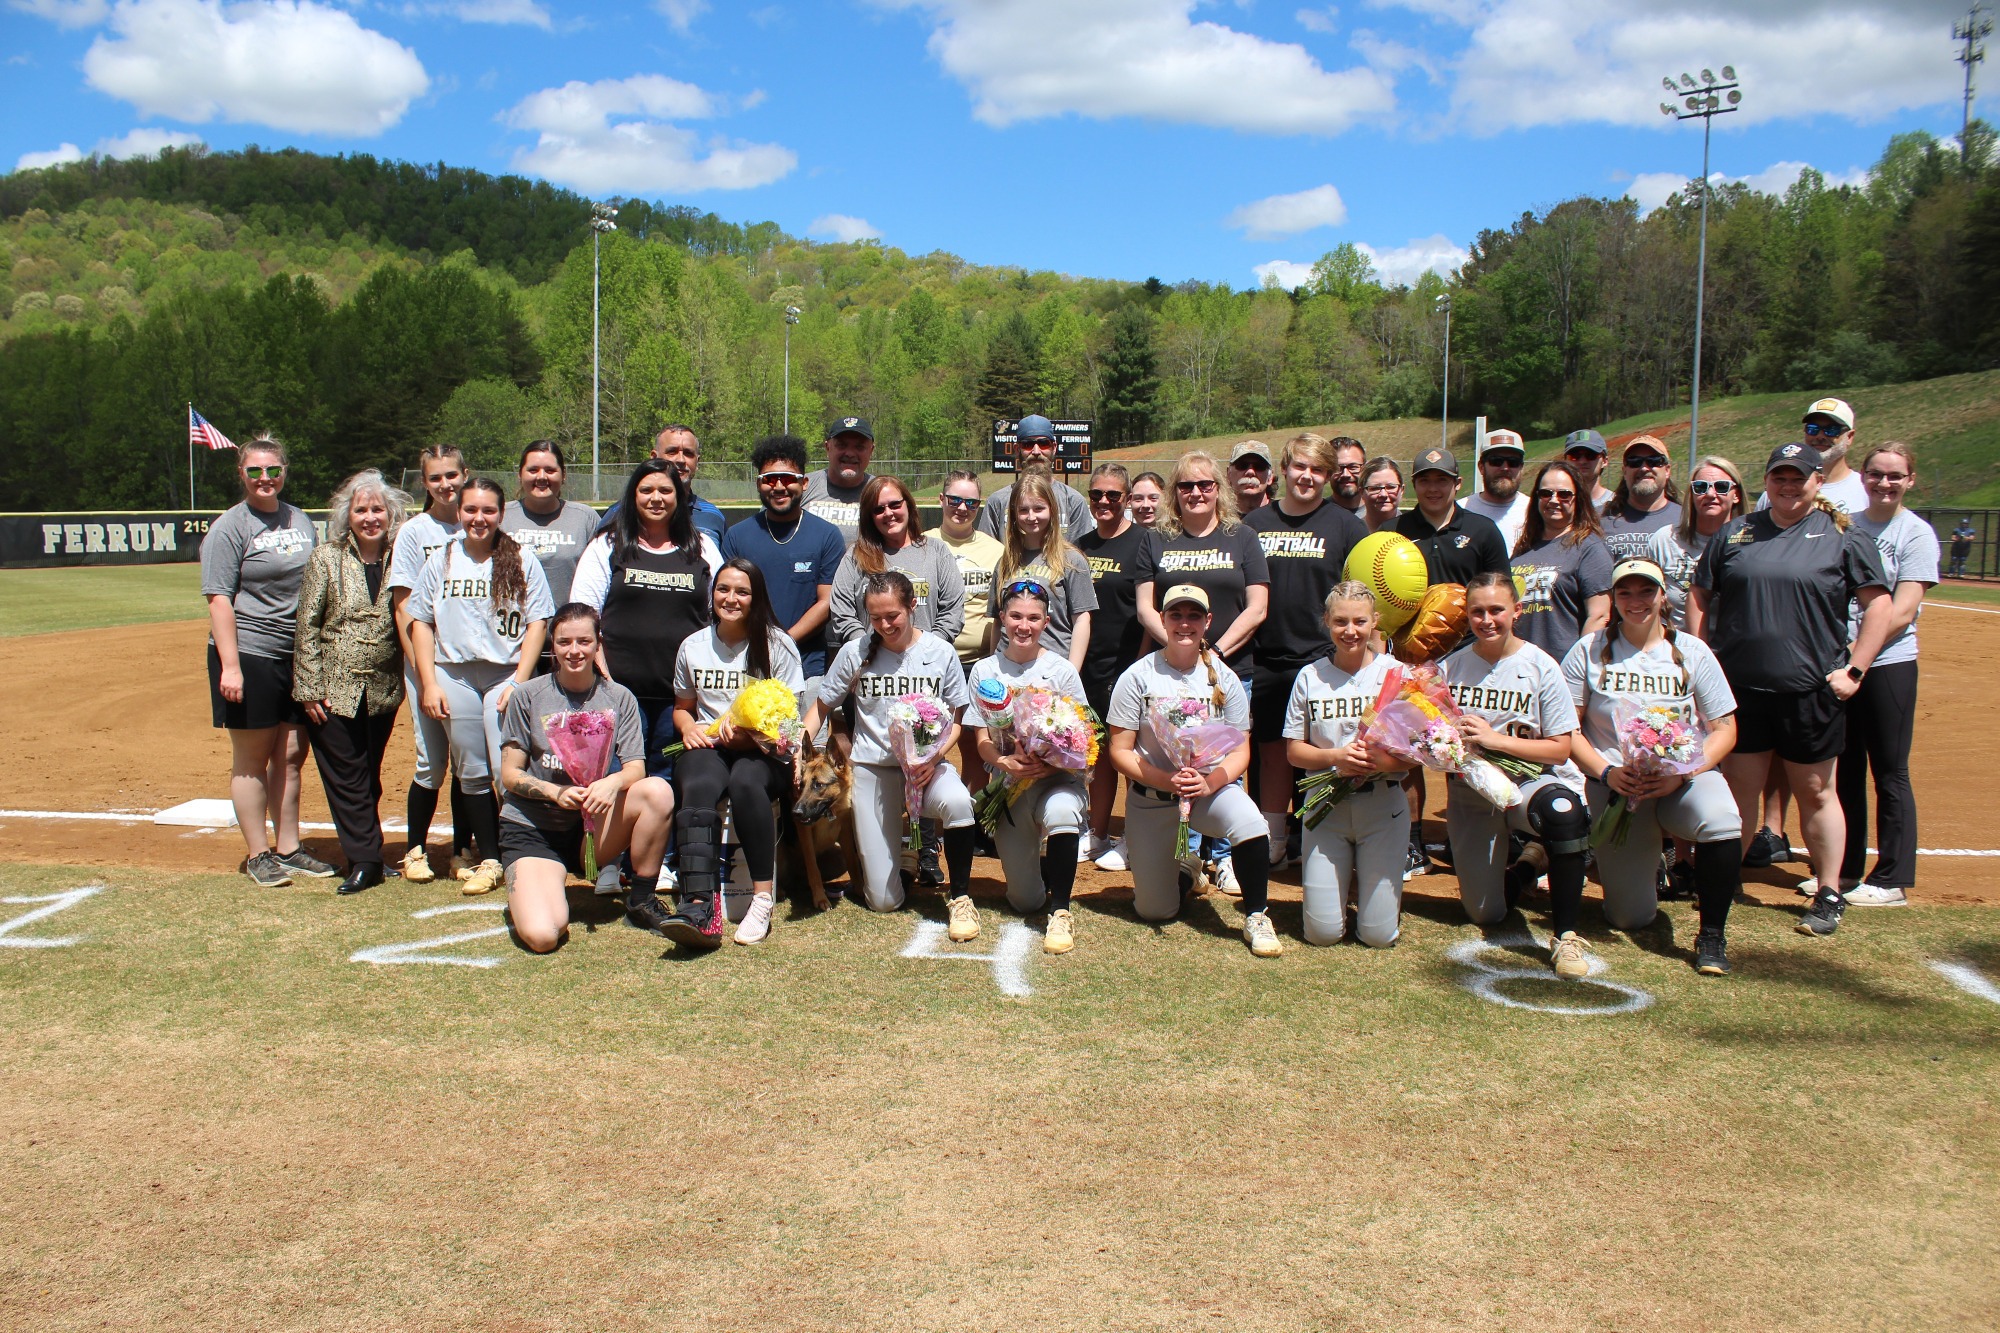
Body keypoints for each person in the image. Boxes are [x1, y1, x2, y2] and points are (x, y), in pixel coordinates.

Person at [1688, 442, 1896, 938]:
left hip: (1810, 690)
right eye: (1778, 476)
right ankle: (1723, 883)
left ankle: (1829, 892)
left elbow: (1880, 605)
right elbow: (1701, 592)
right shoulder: (1736, 533)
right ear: (1766, 482)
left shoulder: (1843, 535)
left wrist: (1856, 670)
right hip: (1742, 691)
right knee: (1740, 790)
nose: (1787, 484)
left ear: (1817, 481)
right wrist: (1701, 656)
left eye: (1798, 476)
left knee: (1816, 791)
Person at [1563, 558, 1743, 975]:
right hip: (1616, 787)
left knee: (1721, 820)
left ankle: (1712, 933)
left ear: (1663, 596)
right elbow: (1567, 730)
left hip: (1681, 781)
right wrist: (1607, 773)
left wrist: (1684, 772)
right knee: (1630, 918)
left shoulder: (1691, 651)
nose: (1636, 600)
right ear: (1613, 598)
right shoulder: (1588, 651)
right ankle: (1649, 864)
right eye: (1625, 592)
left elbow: (1725, 728)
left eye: (1646, 591)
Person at [1106, 585, 1278, 956]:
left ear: (1208, 621)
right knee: (1155, 911)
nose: (1185, 623)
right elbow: (1119, 752)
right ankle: (1187, 870)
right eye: (1176, 615)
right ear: (1163, 620)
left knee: (1250, 823)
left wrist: (1209, 781)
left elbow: (1240, 749)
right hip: (1153, 798)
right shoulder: (1137, 676)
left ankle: (1256, 915)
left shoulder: (1225, 678)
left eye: (1194, 616)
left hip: (1209, 793)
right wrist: (1166, 778)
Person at [802, 570, 979, 924]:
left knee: (959, 802)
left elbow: (958, 719)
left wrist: (936, 756)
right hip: (874, 768)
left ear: (912, 606)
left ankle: (960, 896)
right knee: (883, 901)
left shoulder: (940, 652)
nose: (884, 624)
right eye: (876, 617)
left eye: (892, 615)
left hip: (927, 768)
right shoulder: (855, 652)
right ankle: (906, 855)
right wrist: (797, 750)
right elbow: (821, 707)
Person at [1441, 573, 1594, 979]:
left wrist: (1495, 741)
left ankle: (1566, 936)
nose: (1487, 619)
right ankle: (1528, 866)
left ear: (1517, 611)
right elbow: (1429, 736)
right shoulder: (1450, 667)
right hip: (1474, 792)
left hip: (1530, 782)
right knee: (1486, 912)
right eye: (1477, 611)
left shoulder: (1540, 665)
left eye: (1496, 610)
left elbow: (1560, 748)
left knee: (1564, 811)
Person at [497, 603, 675, 951]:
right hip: (534, 830)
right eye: (565, 642)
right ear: (553, 644)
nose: (574, 651)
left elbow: (636, 767)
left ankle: (640, 900)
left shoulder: (618, 697)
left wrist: (611, 783)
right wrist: (553, 791)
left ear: (598, 645)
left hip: (590, 827)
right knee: (544, 935)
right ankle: (535, 883)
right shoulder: (528, 696)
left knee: (658, 791)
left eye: (584, 641)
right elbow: (509, 774)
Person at [408, 476, 554, 896]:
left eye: (488, 510)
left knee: (502, 768)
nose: (479, 517)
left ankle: (519, 854)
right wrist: (429, 682)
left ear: (501, 514)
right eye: (471, 509)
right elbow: (420, 621)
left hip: (503, 674)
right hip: (453, 673)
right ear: (460, 512)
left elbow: (538, 622)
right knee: (470, 772)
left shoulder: (522, 558)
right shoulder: (443, 558)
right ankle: (490, 859)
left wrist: (520, 681)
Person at [1133, 450, 1270, 894]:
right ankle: (1186, 853)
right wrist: (1181, 648)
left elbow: (1257, 607)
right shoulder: (1155, 539)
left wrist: (1215, 654)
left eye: (1205, 485)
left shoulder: (1242, 536)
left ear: (1219, 490)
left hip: (1228, 669)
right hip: (1172, 673)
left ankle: (1225, 856)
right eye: (1186, 486)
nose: (1196, 493)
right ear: (1175, 493)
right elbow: (1145, 608)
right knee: (1178, 761)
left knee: (1226, 761)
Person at [201, 432, 324, 888]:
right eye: (255, 471)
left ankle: (289, 847)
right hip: (250, 653)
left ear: (284, 472)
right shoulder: (231, 526)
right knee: (252, 758)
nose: (265, 478)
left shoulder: (300, 519)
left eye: (273, 469)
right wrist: (230, 666)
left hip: (295, 655)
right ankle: (258, 854)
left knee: (291, 754)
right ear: (242, 474)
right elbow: (218, 598)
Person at [668, 558, 808, 946]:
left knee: (747, 782)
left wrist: (748, 735)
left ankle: (761, 900)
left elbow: (790, 725)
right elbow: (682, 707)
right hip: (709, 746)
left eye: (742, 591)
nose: (731, 598)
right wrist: (688, 728)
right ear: (712, 594)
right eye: (723, 589)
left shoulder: (778, 645)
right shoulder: (693, 645)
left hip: (764, 752)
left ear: (756, 597)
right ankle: (698, 903)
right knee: (697, 780)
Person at [1246, 432, 1366, 864]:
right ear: (1283, 469)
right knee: (1273, 750)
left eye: (1317, 470)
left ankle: (1319, 836)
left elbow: (1361, 596)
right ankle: (1274, 838)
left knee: (1322, 750)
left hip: (1324, 658)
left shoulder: (1347, 525)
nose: (1307, 476)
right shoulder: (1255, 524)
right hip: (1269, 655)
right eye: (1299, 466)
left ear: (1329, 476)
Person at [293, 469, 411, 894]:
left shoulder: (403, 554)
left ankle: (369, 852)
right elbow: (306, 625)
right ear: (347, 515)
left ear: (391, 513)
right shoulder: (326, 556)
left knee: (368, 774)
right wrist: (309, 689)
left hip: (381, 690)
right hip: (332, 689)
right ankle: (364, 860)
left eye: (377, 508)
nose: (369, 517)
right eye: (361, 509)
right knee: (347, 776)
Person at [571, 460, 724, 775]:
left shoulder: (702, 548)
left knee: (666, 783)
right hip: (620, 693)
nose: (657, 498)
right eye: (647, 490)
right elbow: (584, 616)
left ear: (679, 497)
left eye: (666, 490)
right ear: (633, 495)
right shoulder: (608, 546)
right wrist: (604, 678)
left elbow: (721, 613)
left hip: (681, 700)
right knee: (618, 778)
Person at [1836, 443, 1938, 908]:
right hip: (1843, 663)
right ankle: (1845, 869)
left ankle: (1892, 876)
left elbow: (1902, 609)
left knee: (1890, 770)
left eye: (1895, 476)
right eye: (1876, 474)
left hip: (1889, 664)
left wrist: (1860, 656)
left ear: (1910, 480)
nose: (1884, 483)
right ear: (1862, 475)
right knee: (1846, 768)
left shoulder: (1914, 533)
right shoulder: (1847, 526)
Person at [968, 577, 1092, 953]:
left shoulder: (1062, 671)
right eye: (1016, 616)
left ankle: (1061, 910)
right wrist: (1005, 762)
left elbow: (1086, 738)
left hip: (1057, 780)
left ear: (1047, 622)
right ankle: (1039, 878)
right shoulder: (984, 671)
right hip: (1009, 784)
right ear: (1002, 617)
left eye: (1033, 618)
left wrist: (1051, 766)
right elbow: (981, 742)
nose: (1024, 625)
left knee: (1062, 811)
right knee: (1023, 902)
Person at [1284, 583, 1411, 947]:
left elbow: (1417, 752)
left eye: (1359, 621)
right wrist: (1336, 758)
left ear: (1375, 622)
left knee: (1378, 937)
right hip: (1326, 806)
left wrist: (1377, 761)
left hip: (1383, 804)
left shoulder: (1397, 675)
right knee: (1321, 935)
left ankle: (1376, 906)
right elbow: (1294, 751)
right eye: (1340, 621)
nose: (1350, 631)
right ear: (1326, 621)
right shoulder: (1310, 676)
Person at [388, 444, 473, 884]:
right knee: (431, 761)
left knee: (466, 760)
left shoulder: (479, 522)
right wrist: (424, 674)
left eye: (452, 476)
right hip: (427, 664)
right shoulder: (414, 532)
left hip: (469, 664)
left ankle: (461, 850)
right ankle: (416, 850)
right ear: (424, 483)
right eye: (436, 478)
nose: (446, 485)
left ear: (465, 474)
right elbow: (404, 609)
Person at [1075, 462, 1157, 869]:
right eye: (1096, 495)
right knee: (1098, 754)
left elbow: (1148, 609)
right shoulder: (1080, 545)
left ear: (1126, 499)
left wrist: (1139, 665)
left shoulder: (1145, 541)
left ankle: (1136, 836)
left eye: (1113, 495)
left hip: (1129, 667)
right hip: (1088, 666)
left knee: (1132, 752)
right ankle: (1097, 832)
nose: (1104, 501)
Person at [720, 434, 845, 696]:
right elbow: (727, 599)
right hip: (747, 664)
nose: (779, 486)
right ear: (758, 484)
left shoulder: (826, 535)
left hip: (808, 667)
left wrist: (781, 643)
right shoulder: (737, 535)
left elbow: (827, 601)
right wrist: (760, 647)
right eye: (769, 479)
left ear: (804, 483)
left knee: (808, 738)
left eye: (788, 479)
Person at [828, 475, 966, 648]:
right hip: (871, 663)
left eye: (895, 505)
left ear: (908, 504)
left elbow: (953, 610)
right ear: (869, 516)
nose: (888, 513)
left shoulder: (936, 551)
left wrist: (927, 649)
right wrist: (867, 649)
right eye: (878, 509)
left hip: (927, 663)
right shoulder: (855, 556)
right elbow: (842, 612)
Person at [992, 471, 1096, 671]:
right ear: (1014, 514)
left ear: (1052, 509)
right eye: (1023, 510)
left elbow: (1082, 619)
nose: (1031, 517)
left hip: (1053, 668)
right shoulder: (1005, 562)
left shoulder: (1072, 560)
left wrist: (1071, 672)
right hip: (1007, 669)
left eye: (1038, 508)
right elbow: (998, 622)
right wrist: (992, 666)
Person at [1509, 459, 1613, 661]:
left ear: (1579, 498)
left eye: (1564, 494)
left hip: (1562, 667)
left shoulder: (1589, 547)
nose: (1554, 500)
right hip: (1518, 668)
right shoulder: (1523, 550)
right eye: (1546, 493)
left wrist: (1578, 666)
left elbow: (1599, 616)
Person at [1648, 456, 1745, 629]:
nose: (1710, 494)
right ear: (1692, 495)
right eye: (1700, 487)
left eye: (1721, 487)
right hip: (1675, 647)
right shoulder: (1664, 540)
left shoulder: (1750, 543)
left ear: (1736, 495)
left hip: (1732, 649)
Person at [501, 441, 600, 605]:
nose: (541, 477)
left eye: (550, 470)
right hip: (514, 627)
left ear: (563, 475)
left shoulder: (585, 518)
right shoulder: (502, 517)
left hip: (568, 627)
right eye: (533, 470)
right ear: (520, 474)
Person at [1395, 447, 1510, 587]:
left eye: (1442, 480)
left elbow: (1502, 591)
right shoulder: (1392, 531)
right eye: (1424, 481)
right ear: (1414, 485)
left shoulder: (1483, 530)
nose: (1433, 489)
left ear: (1458, 483)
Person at [977, 414, 1091, 540]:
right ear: (1017, 449)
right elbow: (986, 553)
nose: (1036, 452)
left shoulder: (1073, 501)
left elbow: (1081, 554)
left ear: (1054, 448)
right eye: (1028, 444)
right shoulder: (997, 501)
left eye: (1043, 444)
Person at [937, 470, 1006, 669]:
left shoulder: (997, 550)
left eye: (971, 503)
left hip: (982, 662)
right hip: (933, 660)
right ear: (942, 499)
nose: (962, 508)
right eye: (954, 500)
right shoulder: (923, 544)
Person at [1756, 398, 1868, 514]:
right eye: (1812, 429)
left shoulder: (1865, 490)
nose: (1820, 436)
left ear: (1850, 437)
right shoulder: (1778, 492)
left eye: (1831, 430)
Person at [1599, 435, 1683, 562]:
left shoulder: (1686, 519)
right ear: (1625, 472)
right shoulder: (1599, 519)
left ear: (1667, 470)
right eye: (1634, 461)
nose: (1644, 468)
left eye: (1654, 461)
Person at [803, 415, 877, 543]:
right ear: (827, 448)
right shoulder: (802, 486)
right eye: (841, 445)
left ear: (871, 451)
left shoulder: (882, 491)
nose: (850, 453)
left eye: (859, 447)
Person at [653, 424, 728, 547]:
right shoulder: (621, 513)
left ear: (697, 462)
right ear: (654, 458)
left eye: (688, 453)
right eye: (672, 452)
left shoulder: (713, 517)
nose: (681, 460)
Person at [1461, 429, 1530, 549]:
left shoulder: (1536, 511)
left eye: (1513, 462)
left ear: (1521, 468)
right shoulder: (1460, 511)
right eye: (1496, 461)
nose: (1505, 468)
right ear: (1481, 467)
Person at [1561, 429, 1616, 510]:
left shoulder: (1617, 504)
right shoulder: (1557, 505)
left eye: (1591, 455)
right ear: (1565, 461)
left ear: (1604, 461)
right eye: (1575, 456)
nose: (1582, 461)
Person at [1226, 440, 1272, 515]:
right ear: (1229, 474)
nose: (1250, 472)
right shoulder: (1216, 519)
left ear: (1270, 476)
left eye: (1259, 466)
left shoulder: (1283, 518)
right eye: (1242, 465)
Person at [1360, 457, 1404, 533]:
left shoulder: (1415, 531)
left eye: (1391, 487)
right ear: (1361, 492)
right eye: (1375, 488)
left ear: (1402, 490)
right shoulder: (1352, 532)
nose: (1383, 494)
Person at [1328, 437, 1368, 517]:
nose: (1346, 474)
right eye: (1338, 468)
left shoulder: (1381, 514)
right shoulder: (1317, 515)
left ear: (1365, 468)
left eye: (1353, 467)